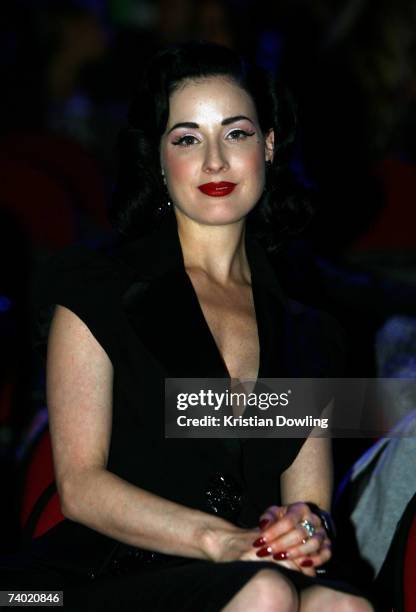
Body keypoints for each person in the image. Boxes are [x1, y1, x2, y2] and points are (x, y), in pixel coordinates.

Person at [6, 41, 373, 611]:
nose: (215, 161)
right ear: (157, 158)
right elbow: (79, 488)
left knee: (343, 606)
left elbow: (310, 506)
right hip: (78, 582)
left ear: (269, 145)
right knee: (269, 591)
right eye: (186, 139)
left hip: (242, 572)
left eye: (236, 133)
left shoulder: (309, 332)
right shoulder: (96, 288)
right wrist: (220, 540)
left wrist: (303, 530)